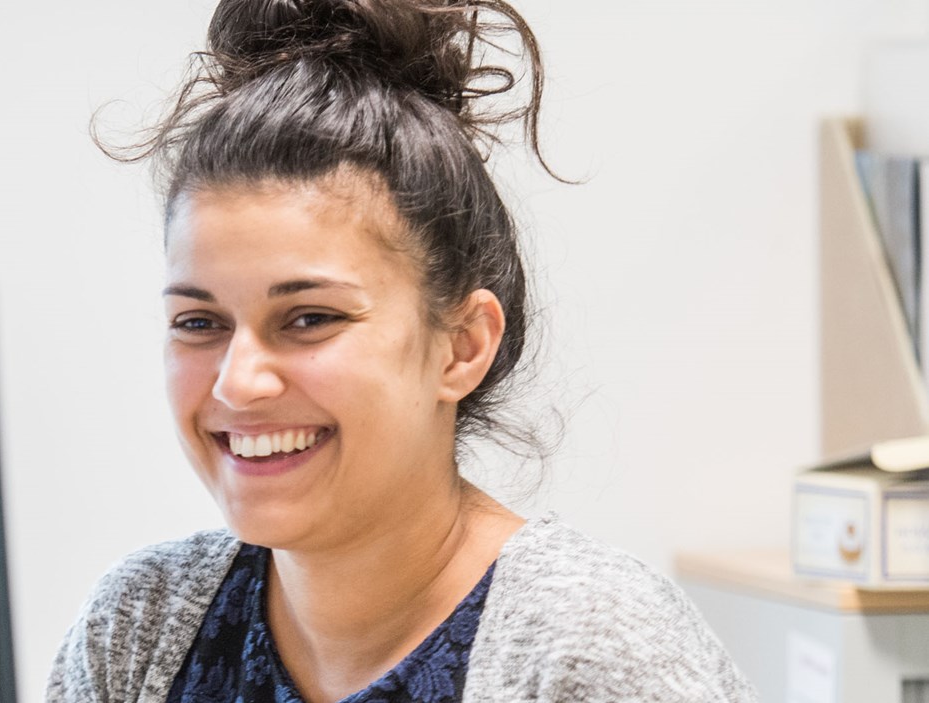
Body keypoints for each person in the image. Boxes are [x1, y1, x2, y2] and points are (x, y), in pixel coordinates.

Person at [48, 1, 757, 701]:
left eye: (310, 317)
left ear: (462, 344)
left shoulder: (590, 649)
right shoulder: (137, 629)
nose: (239, 382)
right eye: (199, 323)